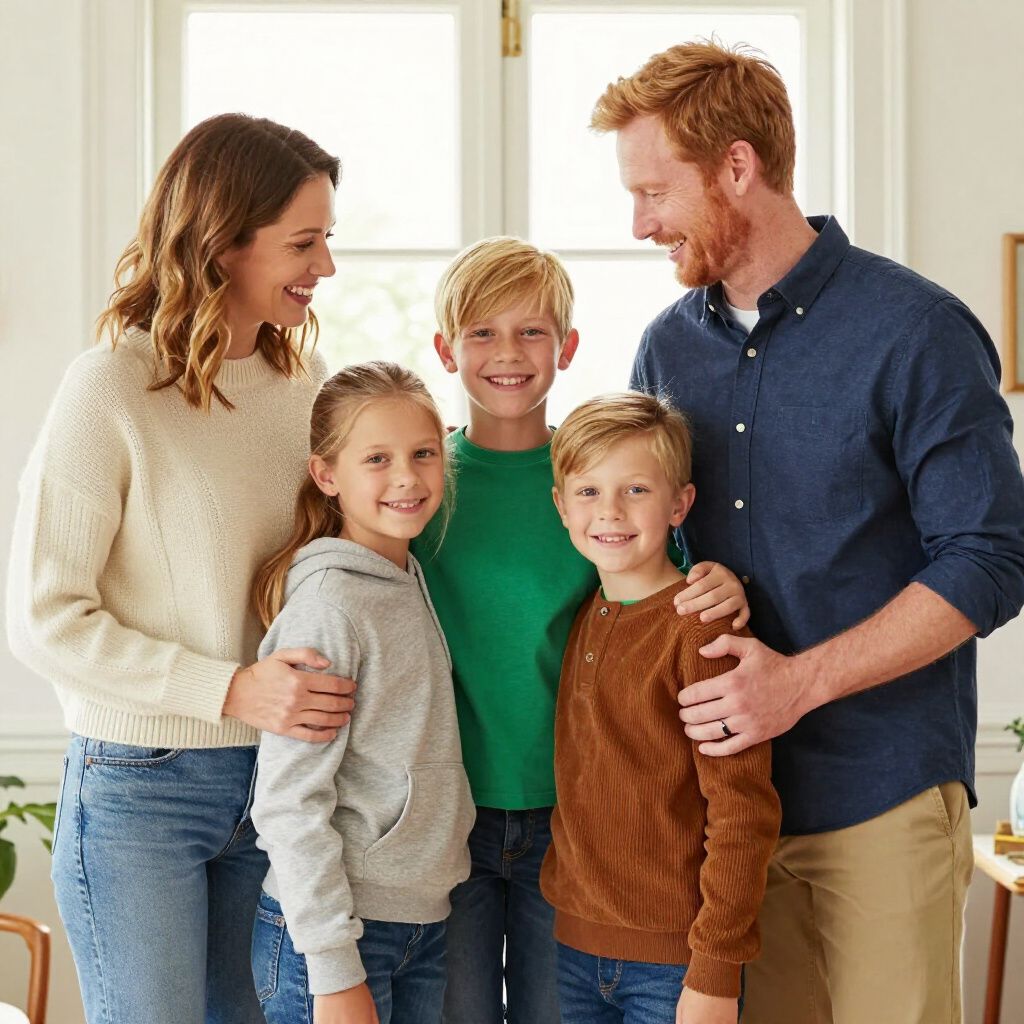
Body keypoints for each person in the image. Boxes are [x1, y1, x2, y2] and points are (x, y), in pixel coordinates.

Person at [592, 41, 1024, 1023]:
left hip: (882, 793)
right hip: (723, 816)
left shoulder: (914, 331)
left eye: (655, 190)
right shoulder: (665, 346)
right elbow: (653, 542)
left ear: (736, 168)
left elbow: (990, 558)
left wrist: (798, 682)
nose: (639, 223)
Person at [5, 114, 357, 1023]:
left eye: (327, 240)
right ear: (221, 241)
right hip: (139, 790)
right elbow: (45, 617)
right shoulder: (111, 385)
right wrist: (230, 687)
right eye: (303, 243)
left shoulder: (304, 384)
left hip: (277, 785)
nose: (324, 268)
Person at [416, 236, 750, 1023]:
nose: (508, 353)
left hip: (575, 828)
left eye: (532, 331)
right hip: (448, 813)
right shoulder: (421, 483)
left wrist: (722, 580)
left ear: (567, 348)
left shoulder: (599, 480)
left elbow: (665, 580)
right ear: (444, 348)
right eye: (481, 332)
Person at [541, 391, 780, 1024]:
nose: (610, 512)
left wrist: (715, 970)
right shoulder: (584, 615)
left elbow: (741, 810)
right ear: (561, 504)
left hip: (676, 964)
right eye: (588, 492)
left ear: (680, 504)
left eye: (636, 491)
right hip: (571, 946)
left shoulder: (704, 632)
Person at [249, 361, 476, 1024]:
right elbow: (289, 802)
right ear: (327, 476)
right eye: (377, 458)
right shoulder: (331, 606)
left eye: (424, 453)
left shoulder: (406, 574)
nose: (407, 477)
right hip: (337, 933)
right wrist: (332, 968)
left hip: (417, 922)